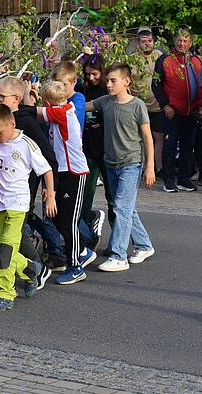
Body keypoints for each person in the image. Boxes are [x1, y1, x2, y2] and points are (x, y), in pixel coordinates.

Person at [0, 104, 56, 312]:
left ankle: (5, 293)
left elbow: (46, 169)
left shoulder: (26, 145)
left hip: (18, 204)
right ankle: (30, 269)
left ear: (12, 123)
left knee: (6, 249)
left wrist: (51, 194)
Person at [87, 63, 156, 272]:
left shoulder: (137, 106)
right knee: (126, 208)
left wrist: (150, 166)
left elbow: (147, 137)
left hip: (131, 163)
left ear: (126, 82)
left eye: (113, 80)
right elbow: (85, 105)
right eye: (107, 80)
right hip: (111, 163)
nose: (108, 84)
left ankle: (119, 256)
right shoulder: (105, 102)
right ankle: (144, 245)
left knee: (120, 207)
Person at [35, 81, 95, 284]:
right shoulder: (58, 110)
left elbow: (31, 112)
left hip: (74, 173)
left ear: (49, 102)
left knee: (68, 221)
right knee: (57, 219)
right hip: (60, 171)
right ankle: (81, 250)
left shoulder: (62, 112)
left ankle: (76, 266)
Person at [152, 29, 201, 192]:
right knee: (170, 146)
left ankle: (184, 179)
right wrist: (165, 105)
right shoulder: (165, 60)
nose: (182, 43)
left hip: (192, 112)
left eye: (185, 41)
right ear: (175, 41)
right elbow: (156, 85)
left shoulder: (196, 61)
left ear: (190, 43)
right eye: (179, 40)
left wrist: (200, 107)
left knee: (188, 147)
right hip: (172, 112)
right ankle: (168, 180)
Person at [77, 55, 112, 250]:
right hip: (87, 150)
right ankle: (84, 235)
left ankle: (116, 239)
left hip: (107, 151)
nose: (91, 78)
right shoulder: (82, 89)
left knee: (112, 196)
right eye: (88, 74)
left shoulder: (106, 90)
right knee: (86, 193)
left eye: (95, 74)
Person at [135, 28, 165, 174]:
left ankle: (159, 168)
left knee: (159, 137)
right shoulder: (133, 59)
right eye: (143, 41)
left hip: (158, 106)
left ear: (154, 42)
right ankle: (146, 167)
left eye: (149, 40)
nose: (146, 43)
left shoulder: (160, 57)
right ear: (138, 43)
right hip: (140, 107)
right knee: (143, 139)